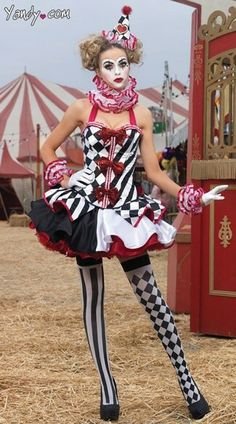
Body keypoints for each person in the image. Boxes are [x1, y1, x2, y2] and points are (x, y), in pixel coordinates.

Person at [29, 6, 227, 421]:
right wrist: (61, 173)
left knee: (151, 298)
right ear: (96, 69)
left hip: (124, 212)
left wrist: (193, 196)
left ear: (129, 65)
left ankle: (186, 380)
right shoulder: (82, 108)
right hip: (86, 210)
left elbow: (153, 171)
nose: (117, 71)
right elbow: (48, 148)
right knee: (93, 297)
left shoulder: (141, 114)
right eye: (108, 65)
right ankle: (107, 386)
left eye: (122, 63)